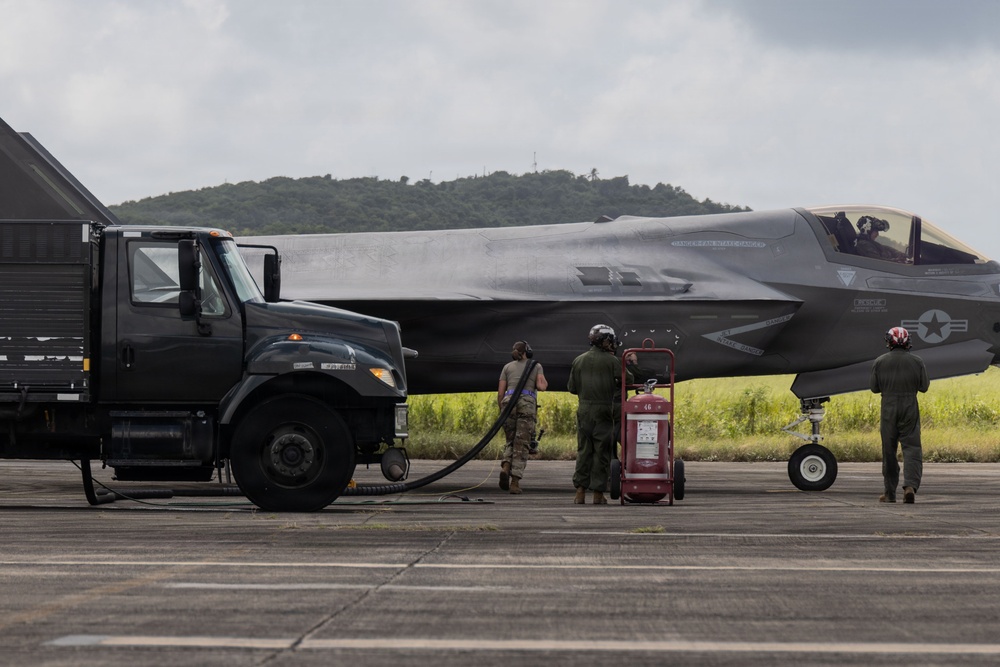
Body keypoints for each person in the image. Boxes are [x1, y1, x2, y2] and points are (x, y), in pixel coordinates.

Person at [870, 326, 929, 504]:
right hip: (909, 405)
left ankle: (889, 494)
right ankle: (910, 486)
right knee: (912, 448)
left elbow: (874, 388)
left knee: (889, 450)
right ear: (907, 342)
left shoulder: (879, 362)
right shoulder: (917, 361)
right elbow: (924, 387)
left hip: (888, 406)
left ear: (889, 342)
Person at [567, 324, 622, 505]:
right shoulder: (612, 361)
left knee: (584, 450)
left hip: (584, 409)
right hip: (603, 409)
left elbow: (572, 388)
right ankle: (598, 494)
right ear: (604, 341)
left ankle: (580, 492)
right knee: (602, 451)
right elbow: (627, 379)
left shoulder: (578, 360)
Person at [497, 341, 547, 494]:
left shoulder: (507, 367)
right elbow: (541, 386)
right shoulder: (536, 366)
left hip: (508, 404)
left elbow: (500, 393)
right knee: (522, 444)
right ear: (527, 352)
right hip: (526, 404)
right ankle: (515, 483)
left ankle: (506, 467)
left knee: (510, 441)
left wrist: (502, 411)